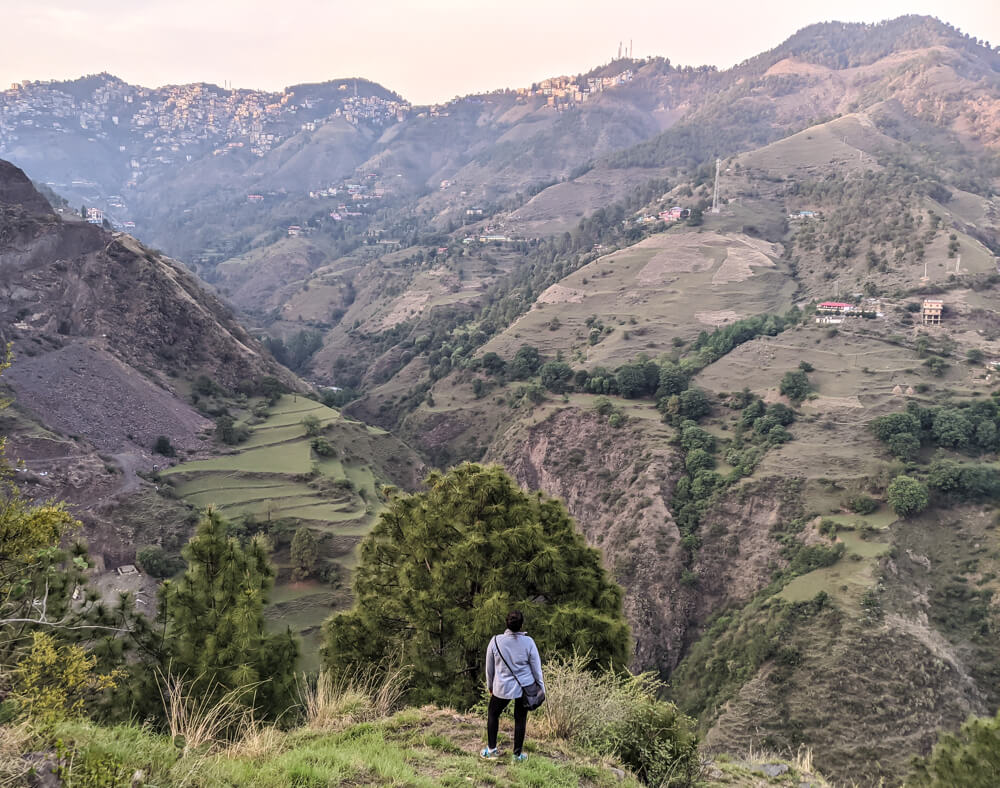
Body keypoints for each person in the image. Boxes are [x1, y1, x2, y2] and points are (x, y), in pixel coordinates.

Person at [481, 609, 544, 761]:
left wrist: (490, 686)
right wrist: (541, 688)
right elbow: (536, 668)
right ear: (522, 625)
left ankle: (491, 750)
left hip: (502, 687)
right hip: (524, 687)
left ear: (506, 624)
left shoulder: (495, 641)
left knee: (493, 714)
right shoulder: (529, 642)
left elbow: (489, 669)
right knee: (520, 719)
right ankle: (517, 755)